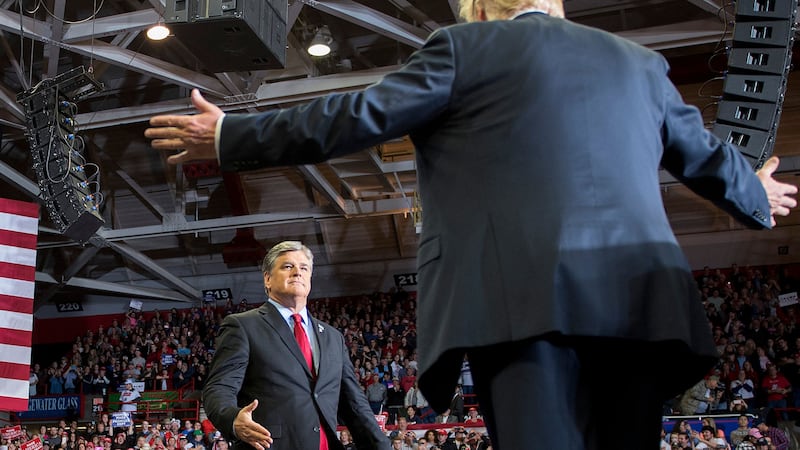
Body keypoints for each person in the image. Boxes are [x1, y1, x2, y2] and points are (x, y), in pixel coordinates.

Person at [144, 0, 799, 447]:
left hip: (521, 303)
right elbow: (708, 159)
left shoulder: (467, 48)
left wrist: (232, 134)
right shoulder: (640, 64)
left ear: (480, 8)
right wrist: (756, 192)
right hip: (641, 308)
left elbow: (355, 115)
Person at [200, 241, 389, 450]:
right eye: (288, 266)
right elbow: (219, 388)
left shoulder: (333, 337)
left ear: (309, 279)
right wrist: (233, 419)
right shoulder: (242, 325)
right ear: (268, 278)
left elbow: (355, 405)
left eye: (304, 268)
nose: (297, 272)